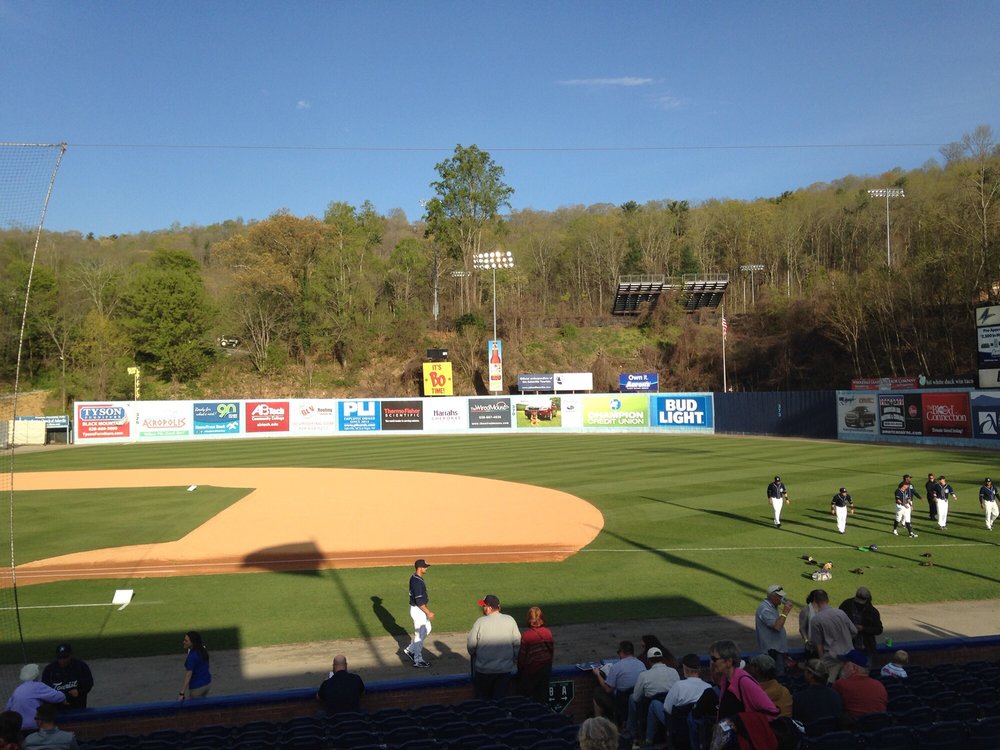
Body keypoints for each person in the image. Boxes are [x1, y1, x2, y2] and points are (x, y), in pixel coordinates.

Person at [645, 653, 711, 747]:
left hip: (677, 726)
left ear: (685, 669)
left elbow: (667, 709)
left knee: (654, 704)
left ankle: (649, 740)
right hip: (699, 727)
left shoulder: (679, 686)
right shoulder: (708, 687)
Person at [709, 639, 778, 721]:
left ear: (728, 662)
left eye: (714, 659)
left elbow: (772, 712)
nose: (712, 662)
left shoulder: (744, 681)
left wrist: (741, 722)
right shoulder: (725, 679)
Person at [467, 594, 521, 700]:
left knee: (483, 703)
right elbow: (517, 644)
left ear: (489, 608)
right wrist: (514, 659)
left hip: (484, 671)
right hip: (504, 670)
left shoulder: (480, 622)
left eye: (484, 606)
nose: (483, 608)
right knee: (501, 702)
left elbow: (471, 646)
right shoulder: (510, 620)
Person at [626, 647, 679, 741]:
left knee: (632, 697)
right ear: (662, 658)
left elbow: (636, 698)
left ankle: (632, 732)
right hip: (671, 710)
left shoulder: (644, 675)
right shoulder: (674, 672)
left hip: (650, 710)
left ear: (649, 660)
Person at [591, 640, 646, 726]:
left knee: (597, 692)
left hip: (621, 704)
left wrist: (598, 674)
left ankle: (598, 726)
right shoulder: (641, 664)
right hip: (639, 701)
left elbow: (608, 689)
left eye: (618, 652)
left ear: (622, 652)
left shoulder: (617, 667)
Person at [808, 590, 857, 682]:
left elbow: (818, 645)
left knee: (828, 683)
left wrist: (822, 661)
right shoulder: (841, 613)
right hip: (848, 655)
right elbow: (854, 631)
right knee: (847, 684)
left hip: (831, 658)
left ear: (815, 601)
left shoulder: (816, 620)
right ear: (827, 600)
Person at [4, 665, 65, 733]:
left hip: (18, 726)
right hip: (33, 726)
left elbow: (7, 708)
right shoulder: (37, 686)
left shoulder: (18, 689)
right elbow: (59, 697)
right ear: (36, 675)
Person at [831, 649, 887, 723]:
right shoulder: (879, 685)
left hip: (856, 727)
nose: (842, 667)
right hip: (880, 726)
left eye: (845, 664)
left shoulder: (841, 684)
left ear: (853, 668)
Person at [516, 606, 554, 704]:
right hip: (545, 669)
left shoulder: (527, 636)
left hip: (531, 671)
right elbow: (551, 651)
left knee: (525, 698)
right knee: (543, 698)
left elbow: (522, 658)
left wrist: (520, 673)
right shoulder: (548, 633)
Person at [755, 584, 792, 678]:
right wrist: (785, 612)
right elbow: (777, 626)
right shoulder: (765, 609)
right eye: (779, 596)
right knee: (776, 677)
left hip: (777, 650)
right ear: (772, 596)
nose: (782, 598)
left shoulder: (772, 606)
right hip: (772, 652)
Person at [838, 586, 883, 666]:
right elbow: (838, 620)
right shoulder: (846, 605)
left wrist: (863, 629)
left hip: (866, 648)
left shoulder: (873, 612)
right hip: (848, 647)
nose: (859, 604)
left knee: (865, 670)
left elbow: (878, 629)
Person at [792, 659, 843, 726]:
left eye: (805, 671)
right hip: (833, 732)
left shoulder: (799, 698)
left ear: (811, 675)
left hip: (809, 732)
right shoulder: (836, 695)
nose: (804, 673)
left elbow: (797, 725)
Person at [41, 644, 93, 710]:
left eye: (65, 657)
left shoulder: (81, 666)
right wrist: (58, 697)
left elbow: (89, 683)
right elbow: (44, 689)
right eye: (59, 657)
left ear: (70, 655)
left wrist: (79, 691)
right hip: (57, 708)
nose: (62, 660)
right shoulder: (49, 669)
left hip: (78, 706)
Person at [404, 559, 433, 668]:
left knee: (427, 628)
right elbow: (419, 601)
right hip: (418, 610)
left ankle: (411, 649)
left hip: (419, 609)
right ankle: (418, 660)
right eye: (425, 567)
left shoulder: (415, 577)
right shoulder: (417, 582)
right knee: (419, 635)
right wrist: (428, 612)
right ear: (420, 568)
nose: (426, 568)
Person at [746, 654, 792, 718]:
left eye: (751, 666)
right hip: (786, 723)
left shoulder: (753, 695)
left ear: (756, 669)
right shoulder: (785, 691)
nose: (748, 668)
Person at [178, 631, 211, 700]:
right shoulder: (203, 651)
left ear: (192, 643)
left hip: (197, 688)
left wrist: (182, 693)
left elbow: (188, 675)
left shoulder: (192, 656)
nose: (183, 642)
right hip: (207, 684)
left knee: (194, 706)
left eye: (186, 641)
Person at [799, 589, 822, 659]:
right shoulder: (806, 610)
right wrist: (806, 641)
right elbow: (802, 628)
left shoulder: (824, 608)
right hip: (812, 647)